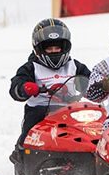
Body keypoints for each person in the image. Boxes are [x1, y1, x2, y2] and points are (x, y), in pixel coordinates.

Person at [9, 18, 91, 164]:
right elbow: (16, 86)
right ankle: (22, 152)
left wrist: (99, 85)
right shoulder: (31, 67)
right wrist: (25, 88)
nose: (54, 51)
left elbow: (90, 80)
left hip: (70, 109)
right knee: (30, 128)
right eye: (49, 48)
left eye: (57, 48)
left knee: (92, 126)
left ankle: (92, 155)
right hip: (41, 110)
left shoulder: (74, 66)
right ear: (39, 48)